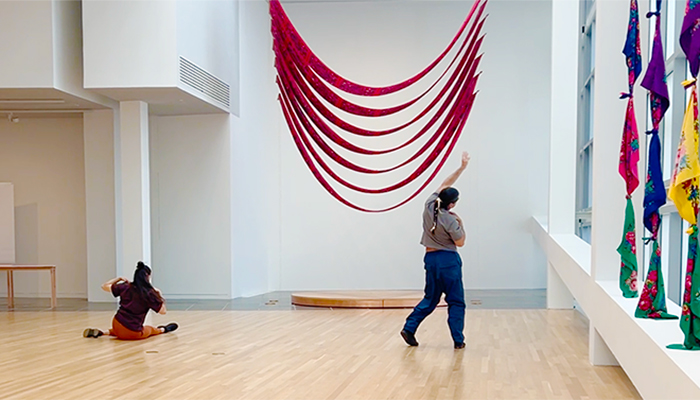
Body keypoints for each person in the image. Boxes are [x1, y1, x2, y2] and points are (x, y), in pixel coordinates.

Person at [401, 151, 470, 349]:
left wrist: (461, 168)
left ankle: (409, 327)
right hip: (448, 261)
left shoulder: (429, 205)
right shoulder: (450, 219)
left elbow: (444, 184)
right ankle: (458, 340)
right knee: (456, 301)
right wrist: (461, 223)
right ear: (452, 204)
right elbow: (461, 242)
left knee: (430, 298)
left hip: (430, 260)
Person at [83, 261, 178, 340]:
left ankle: (103, 333)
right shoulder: (150, 294)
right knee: (150, 330)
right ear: (148, 277)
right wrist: (159, 295)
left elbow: (104, 286)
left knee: (120, 329)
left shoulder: (125, 286)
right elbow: (163, 311)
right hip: (132, 331)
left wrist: (118, 279)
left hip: (117, 323)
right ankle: (163, 329)